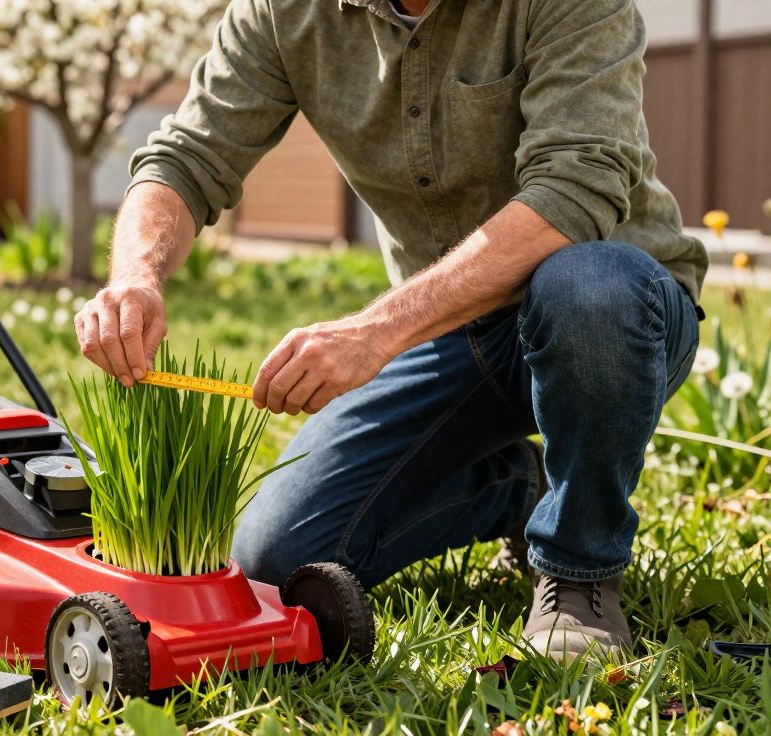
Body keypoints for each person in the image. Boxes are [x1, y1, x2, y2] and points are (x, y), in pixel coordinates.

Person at [72, 0, 707, 662]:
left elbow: (572, 195)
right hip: (449, 335)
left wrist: (374, 332)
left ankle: (580, 577)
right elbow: (186, 156)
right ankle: (519, 486)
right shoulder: (285, 14)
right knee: (274, 561)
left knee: (587, 287)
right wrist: (134, 276)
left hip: (613, 314)